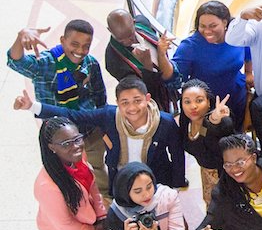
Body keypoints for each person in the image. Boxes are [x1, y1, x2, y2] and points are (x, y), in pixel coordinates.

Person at [16, 76, 186, 193]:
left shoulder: (165, 122)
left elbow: (177, 155)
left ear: (147, 98)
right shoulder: (109, 116)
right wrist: (33, 106)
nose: (132, 108)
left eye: (137, 101)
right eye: (125, 103)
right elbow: (73, 115)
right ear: (118, 103)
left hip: (155, 178)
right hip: (121, 178)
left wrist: (176, 186)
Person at [7, 19, 109, 196]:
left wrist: (104, 126)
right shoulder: (45, 64)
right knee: (65, 174)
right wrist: (21, 36)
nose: (80, 51)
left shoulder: (90, 63)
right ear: (63, 40)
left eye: (86, 46)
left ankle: (104, 200)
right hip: (61, 139)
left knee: (97, 167)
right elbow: (16, 61)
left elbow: (100, 96)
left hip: (89, 131)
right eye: (74, 44)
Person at [172, 1, 253, 128]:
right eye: (202, 26)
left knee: (234, 138)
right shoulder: (189, 47)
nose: (207, 31)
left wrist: (248, 73)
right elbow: (175, 77)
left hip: (236, 98)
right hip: (204, 106)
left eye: (213, 25)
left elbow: (248, 53)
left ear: (225, 23)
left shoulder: (237, 36)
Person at [105, 10, 180, 113]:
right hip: (154, 103)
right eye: (121, 40)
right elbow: (139, 90)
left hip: (170, 87)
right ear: (110, 30)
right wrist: (147, 67)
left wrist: (162, 50)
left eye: (130, 35)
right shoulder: (112, 59)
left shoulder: (143, 22)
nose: (128, 41)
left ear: (134, 22)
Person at [179, 79, 235, 205]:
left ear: (209, 102)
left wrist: (214, 119)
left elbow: (222, 125)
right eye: (187, 102)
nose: (193, 106)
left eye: (199, 100)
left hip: (228, 175)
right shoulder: (185, 122)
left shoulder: (219, 119)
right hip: (206, 173)